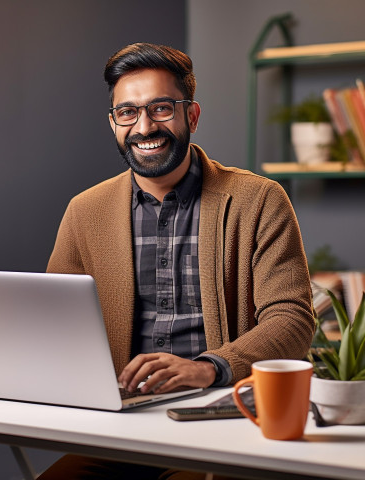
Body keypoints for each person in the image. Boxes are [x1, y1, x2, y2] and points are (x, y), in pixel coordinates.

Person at [40, 42, 314, 480]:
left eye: (161, 108)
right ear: (113, 122)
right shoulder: (84, 211)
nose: (144, 126)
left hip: (224, 416)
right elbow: (54, 319)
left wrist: (208, 368)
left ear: (192, 115)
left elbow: (293, 319)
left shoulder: (259, 200)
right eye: (127, 112)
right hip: (119, 425)